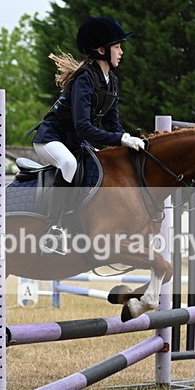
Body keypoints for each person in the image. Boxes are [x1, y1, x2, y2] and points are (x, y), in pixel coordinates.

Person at [30, 16, 146, 254]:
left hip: (75, 142)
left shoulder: (111, 81)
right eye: (117, 47)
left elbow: (113, 123)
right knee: (68, 163)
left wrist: (127, 141)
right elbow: (83, 127)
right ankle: (53, 229)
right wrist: (120, 139)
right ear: (102, 50)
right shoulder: (84, 79)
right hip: (51, 138)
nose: (121, 52)